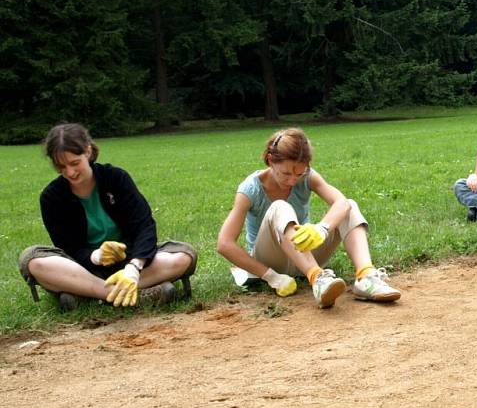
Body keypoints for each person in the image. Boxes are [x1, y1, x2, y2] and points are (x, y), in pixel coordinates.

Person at [19, 123, 197, 312]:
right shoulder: (52, 197)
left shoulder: (116, 178)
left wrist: (134, 267)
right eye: (61, 167)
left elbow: (144, 226)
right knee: (33, 261)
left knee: (183, 256)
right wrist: (96, 256)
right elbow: (68, 247)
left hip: (130, 260)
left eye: (74, 163)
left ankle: (85, 294)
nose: (70, 172)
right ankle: (122, 294)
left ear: (87, 152)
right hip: (85, 268)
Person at [216, 128, 401, 309]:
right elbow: (224, 244)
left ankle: (366, 277)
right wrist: (271, 276)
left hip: (304, 256)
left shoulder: (308, 177)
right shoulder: (250, 189)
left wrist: (322, 228)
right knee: (280, 206)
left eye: (299, 173)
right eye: (286, 173)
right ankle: (318, 279)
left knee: (349, 205)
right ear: (271, 161)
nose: (292, 180)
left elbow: (342, 203)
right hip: (271, 259)